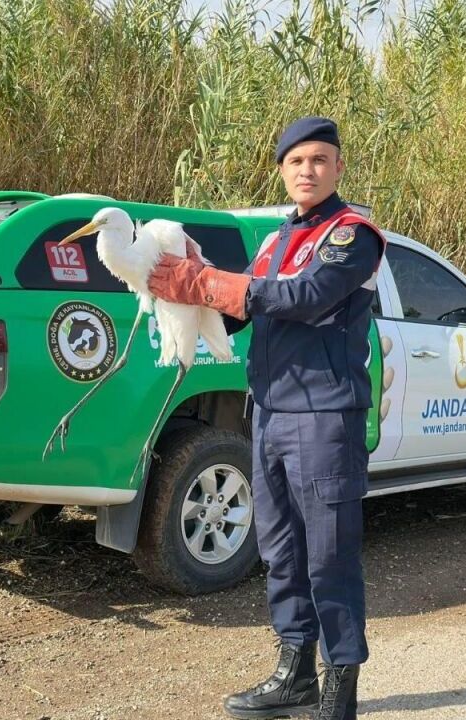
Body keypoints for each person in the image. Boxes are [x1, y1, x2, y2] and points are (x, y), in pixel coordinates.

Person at [148, 116, 385, 720]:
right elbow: (236, 317)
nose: (308, 170)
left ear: (337, 167)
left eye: (320, 159)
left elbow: (306, 298)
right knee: (280, 548)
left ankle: (340, 690)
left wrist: (211, 283)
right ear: (281, 169)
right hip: (271, 413)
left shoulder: (352, 234)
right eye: (296, 161)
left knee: (329, 553)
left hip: (324, 416)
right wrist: (184, 286)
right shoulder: (274, 243)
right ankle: (294, 673)